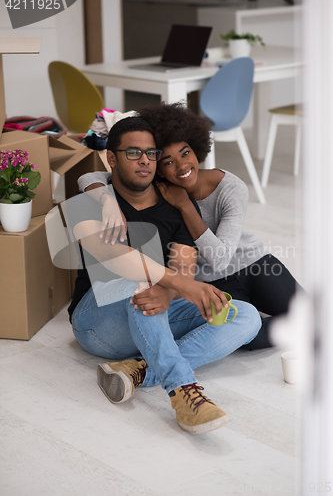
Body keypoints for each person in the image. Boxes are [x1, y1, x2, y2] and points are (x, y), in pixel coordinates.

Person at [68, 116, 261, 435]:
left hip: (151, 313)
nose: (145, 160)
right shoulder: (90, 202)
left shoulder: (175, 202)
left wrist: (173, 288)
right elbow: (113, 256)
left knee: (246, 316)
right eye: (133, 153)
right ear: (112, 158)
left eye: (151, 153)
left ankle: (139, 369)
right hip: (98, 324)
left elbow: (183, 265)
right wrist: (179, 284)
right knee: (139, 279)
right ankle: (184, 391)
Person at [78, 103, 301, 351]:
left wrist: (186, 206)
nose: (182, 166)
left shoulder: (230, 188)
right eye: (169, 162)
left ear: (196, 149)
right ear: (158, 168)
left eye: (185, 153)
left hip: (254, 265)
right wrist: (105, 199)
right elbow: (92, 177)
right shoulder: (159, 191)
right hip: (206, 283)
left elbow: (220, 259)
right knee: (239, 333)